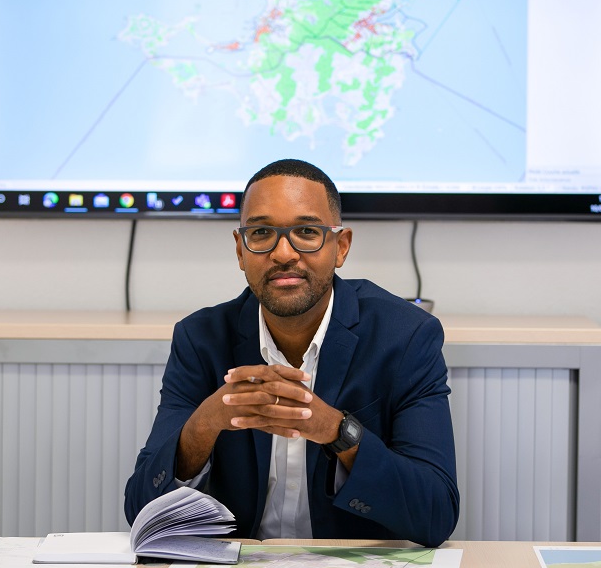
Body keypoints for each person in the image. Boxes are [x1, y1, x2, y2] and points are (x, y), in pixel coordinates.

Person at [124, 159, 459, 547]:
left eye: (307, 231)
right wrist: (205, 423)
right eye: (261, 232)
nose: (283, 253)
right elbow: (140, 511)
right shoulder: (201, 340)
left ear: (341, 247)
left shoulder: (405, 337)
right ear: (240, 249)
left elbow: (435, 513)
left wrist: (337, 431)